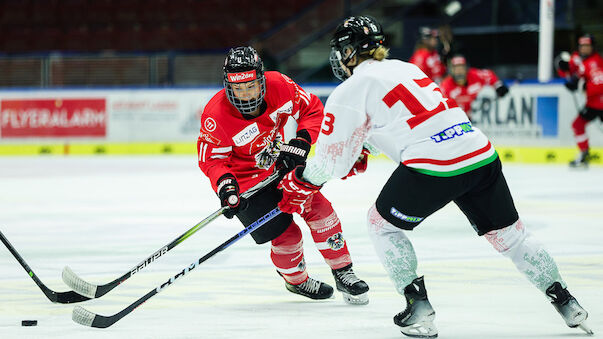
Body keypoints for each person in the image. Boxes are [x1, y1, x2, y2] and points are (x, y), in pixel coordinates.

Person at [277, 16, 593, 337]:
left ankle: (418, 309)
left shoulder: (351, 89)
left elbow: (333, 163)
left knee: (381, 225)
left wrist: (301, 181)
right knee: (511, 236)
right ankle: (567, 303)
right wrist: (365, 146)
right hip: (479, 153)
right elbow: (406, 120)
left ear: (348, 51)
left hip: (434, 165)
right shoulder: (407, 68)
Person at [196, 46, 369, 305]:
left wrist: (301, 140)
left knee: (320, 209)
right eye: (238, 89)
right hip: (246, 185)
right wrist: (227, 187)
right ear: (228, 87)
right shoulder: (216, 116)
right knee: (288, 236)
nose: (245, 96)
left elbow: (312, 110)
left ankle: (343, 271)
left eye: (251, 86)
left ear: (262, 79)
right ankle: (297, 281)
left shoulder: (281, 85)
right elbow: (212, 160)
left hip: (278, 167)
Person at [556, 34, 603, 167]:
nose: (584, 48)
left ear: (592, 47)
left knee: (578, 124)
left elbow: (599, 84)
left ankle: (584, 154)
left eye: (587, 46)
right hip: (593, 103)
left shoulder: (595, 62)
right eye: (582, 46)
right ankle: (583, 154)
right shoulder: (577, 57)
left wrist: (580, 84)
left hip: (599, 102)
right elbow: (569, 73)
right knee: (578, 124)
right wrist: (563, 67)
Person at [440, 54, 509, 120]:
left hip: (478, 117)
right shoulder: (445, 86)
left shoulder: (476, 75)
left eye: (461, 68)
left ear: (466, 68)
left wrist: (498, 86)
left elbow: (489, 75)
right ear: (452, 70)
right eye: (456, 69)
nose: (459, 72)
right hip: (457, 120)